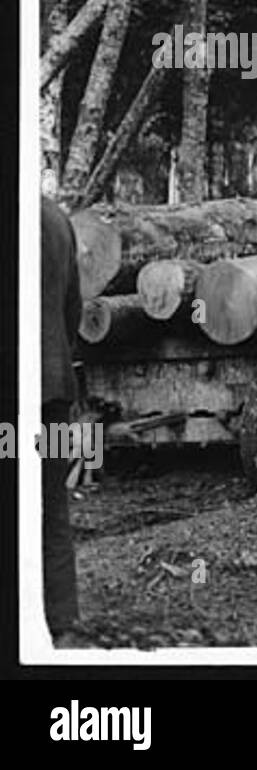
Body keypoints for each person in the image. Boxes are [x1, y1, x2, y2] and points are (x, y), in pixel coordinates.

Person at [41, 195, 81, 639]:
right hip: (53, 394)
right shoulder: (55, 216)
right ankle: (62, 618)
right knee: (51, 503)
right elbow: (74, 308)